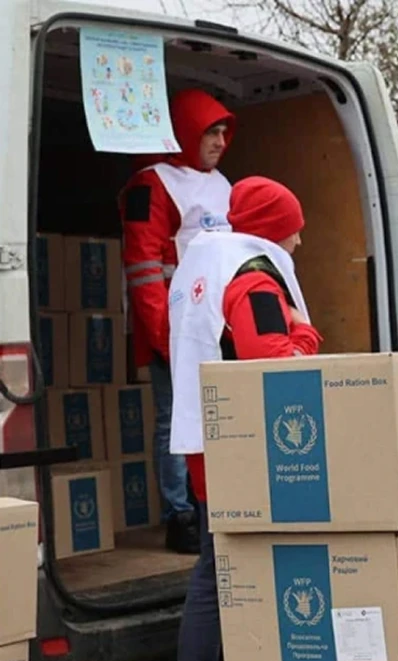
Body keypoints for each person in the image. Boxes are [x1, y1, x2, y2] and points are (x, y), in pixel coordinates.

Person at [168, 177, 320, 661]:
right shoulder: (253, 277)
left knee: (218, 566)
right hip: (239, 442)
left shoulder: (201, 261)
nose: (298, 242)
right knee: (221, 570)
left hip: (206, 437)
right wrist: (305, 331)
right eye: (294, 231)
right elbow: (274, 362)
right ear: (275, 230)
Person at [119, 88, 236, 554]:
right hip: (173, 324)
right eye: (211, 131)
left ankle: (214, 505)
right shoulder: (152, 184)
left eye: (225, 132)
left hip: (218, 324)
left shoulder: (223, 184)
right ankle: (179, 514)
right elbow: (142, 265)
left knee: (219, 417)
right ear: (186, 132)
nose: (220, 141)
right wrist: (163, 336)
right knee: (174, 420)